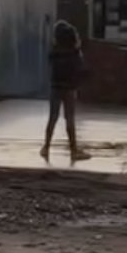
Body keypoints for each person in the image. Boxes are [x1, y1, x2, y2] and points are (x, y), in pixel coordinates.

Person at [41, 21, 91, 162]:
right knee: (69, 118)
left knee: (52, 118)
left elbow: (51, 64)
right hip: (69, 88)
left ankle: (46, 147)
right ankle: (74, 150)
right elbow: (82, 69)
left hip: (55, 87)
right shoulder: (74, 53)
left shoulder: (54, 53)